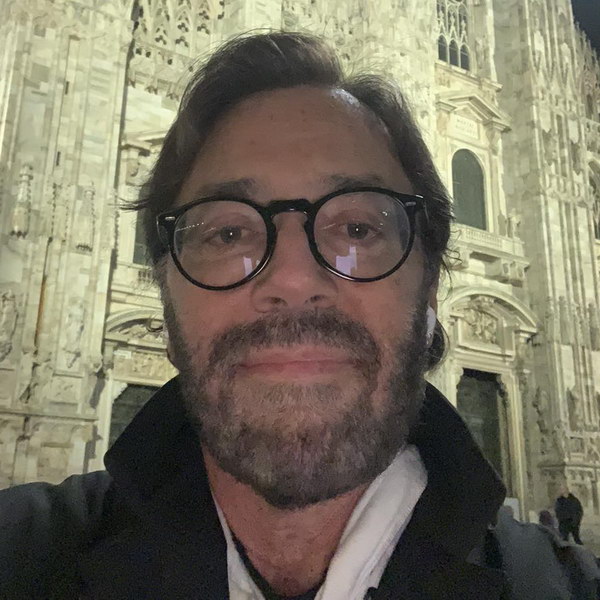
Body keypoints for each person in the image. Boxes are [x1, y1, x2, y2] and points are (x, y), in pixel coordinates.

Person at [0, 31, 555, 599]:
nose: (292, 280)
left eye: (357, 228)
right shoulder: (23, 555)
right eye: (228, 233)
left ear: (431, 287)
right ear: (165, 294)